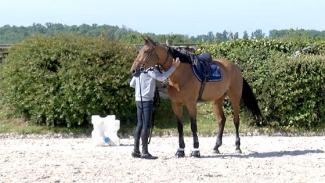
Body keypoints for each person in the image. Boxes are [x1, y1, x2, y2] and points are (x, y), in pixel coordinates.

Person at [129, 58, 180, 159]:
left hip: (138, 100)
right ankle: (144, 152)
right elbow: (162, 77)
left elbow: (132, 84)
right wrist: (173, 67)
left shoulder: (138, 71)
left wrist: (143, 87)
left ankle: (136, 150)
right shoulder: (151, 70)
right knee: (146, 125)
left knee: (140, 124)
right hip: (147, 100)